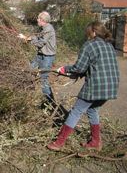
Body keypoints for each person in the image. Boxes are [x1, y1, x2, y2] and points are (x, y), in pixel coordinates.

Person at [47, 21, 119, 151]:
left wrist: (65, 69)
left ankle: (59, 143)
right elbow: (97, 65)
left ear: (94, 32)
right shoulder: (109, 45)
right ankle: (95, 143)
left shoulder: (89, 46)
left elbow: (79, 68)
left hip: (97, 85)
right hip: (111, 86)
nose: (87, 36)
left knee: (76, 111)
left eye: (88, 33)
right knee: (92, 109)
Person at [30, 11, 56, 100]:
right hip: (40, 55)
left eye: (38, 18)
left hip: (46, 57)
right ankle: (28, 94)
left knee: (43, 79)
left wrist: (30, 41)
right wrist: (29, 38)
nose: (37, 19)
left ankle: (49, 101)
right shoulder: (43, 28)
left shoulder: (48, 29)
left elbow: (41, 42)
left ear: (42, 20)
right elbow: (38, 37)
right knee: (29, 71)